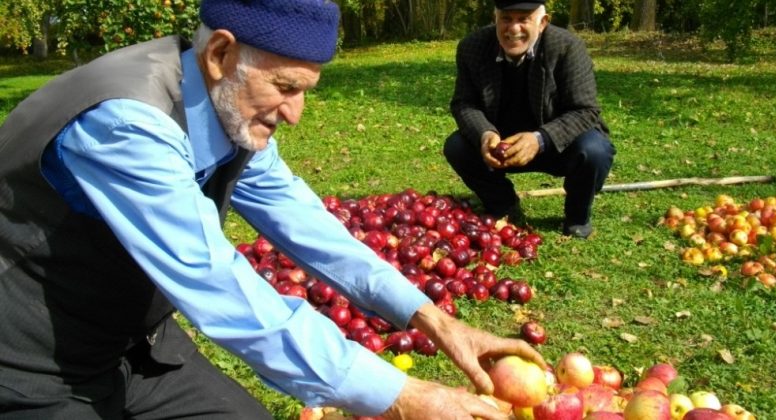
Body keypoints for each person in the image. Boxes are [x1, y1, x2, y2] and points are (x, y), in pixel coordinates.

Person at [0, 0, 546, 418]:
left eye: (306, 90)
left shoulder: (227, 105)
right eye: (285, 87)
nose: (296, 114)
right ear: (219, 54)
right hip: (31, 364)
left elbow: (305, 223)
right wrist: (400, 396)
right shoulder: (126, 123)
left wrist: (434, 320)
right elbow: (216, 284)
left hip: (137, 347)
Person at [443, 0, 616, 239]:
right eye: (506, 18)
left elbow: (585, 110)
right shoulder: (472, 47)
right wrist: (485, 133)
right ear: (495, 19)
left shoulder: (567, 47)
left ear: (543, 22)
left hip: (557, 144)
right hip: (502, 146)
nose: (513, 29)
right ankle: (503, 204)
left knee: (595, 150)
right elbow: (464, 103)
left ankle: (577, 216)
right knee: (457, 147)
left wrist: (540, 139)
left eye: (523, 19)